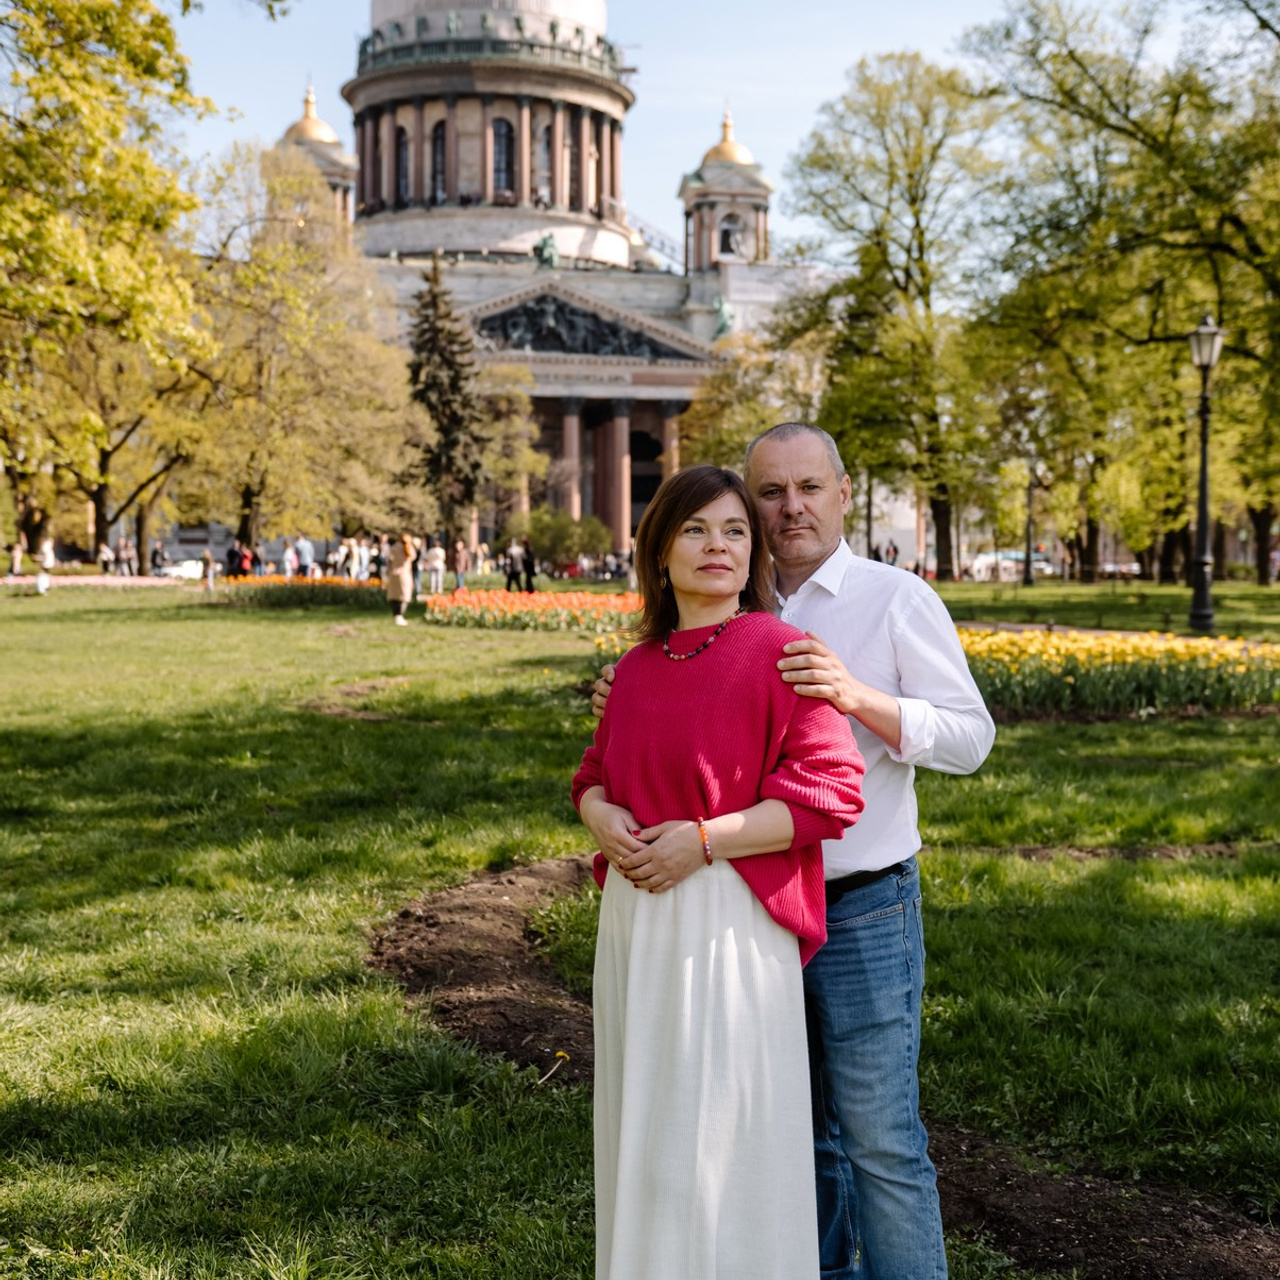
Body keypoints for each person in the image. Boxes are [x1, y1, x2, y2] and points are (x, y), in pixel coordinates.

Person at [594, 424, 995, 1280]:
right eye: (769, 493)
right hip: (744, 915)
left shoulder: (893, 598)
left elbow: (971, 739)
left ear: (843, 494)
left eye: (808, 488)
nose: (790, 508)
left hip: (860, 903)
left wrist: (859, 695)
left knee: (879, 1138)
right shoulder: (736, 603)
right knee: (782, 1133)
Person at [575, 464, 865, 1280]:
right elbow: (593, 776)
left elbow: (830, 796)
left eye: (736, 530)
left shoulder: (780, 652)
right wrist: (602, 818)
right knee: (647, 1128)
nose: (718, 546)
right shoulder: (635, 667)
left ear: (755, 553)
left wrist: (701, 841)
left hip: (727, 923)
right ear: (659, 552)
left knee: (714, 1137)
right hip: (636, 922)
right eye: (696, 530)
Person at [385, 532, 415, 625]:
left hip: (394, 574)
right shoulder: (408, 548)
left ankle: (396, 616)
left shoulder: (393, 548)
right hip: (404, 574)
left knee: (394, 596)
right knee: (404, 597)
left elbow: (389, 560)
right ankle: (400, 616)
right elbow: (413, 557)